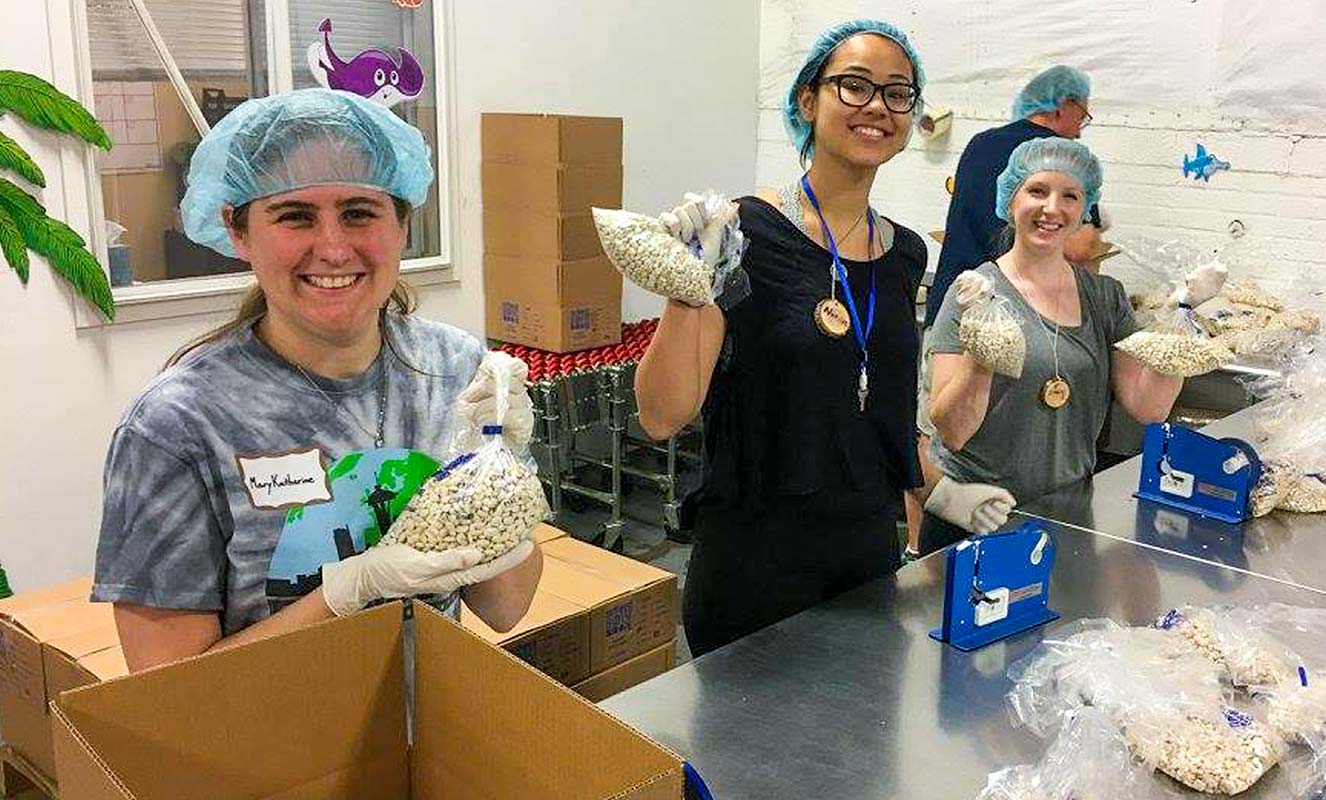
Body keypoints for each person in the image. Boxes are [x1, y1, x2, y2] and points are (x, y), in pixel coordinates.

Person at [93, 89, 542, 672]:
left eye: (359, 212)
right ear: (239, 230)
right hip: (276, 756)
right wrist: (342, 595)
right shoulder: (178, 427)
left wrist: (500, 471)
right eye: (295, 216)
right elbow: (167, 691)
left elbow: (507, 606)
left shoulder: (456, 371)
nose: (332, 248)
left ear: (401, 223)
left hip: (430, 732)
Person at [634, 20, 928, 656]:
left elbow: (888, 411)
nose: (877, 105)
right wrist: (688, 282)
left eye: (898, 92)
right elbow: (662, 414)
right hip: (755, 560)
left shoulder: (906, 255)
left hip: (865, 558)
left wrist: (926, 508)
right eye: (853, 85)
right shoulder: (742, 233)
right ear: (807, 100)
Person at [921, 138, 1184, 554]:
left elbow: (1149, 407)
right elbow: (952, 431)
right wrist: (982, 353)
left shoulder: (1105, 297)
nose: (1052, 208)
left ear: (1084, 209)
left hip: (1069, 514)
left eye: (1070, 196)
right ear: (1010, 200)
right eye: (1037, 191)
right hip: (978, 515)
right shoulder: (974, 293)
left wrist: (1181, 322)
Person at [905, 66, 1100, 557]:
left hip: (957, 287)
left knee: (934, 437)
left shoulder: (981, 143)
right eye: (1084, 113)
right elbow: (1081, 247)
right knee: (959, 434)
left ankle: (915, 552)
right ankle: (938, 544)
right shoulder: (1062, 163)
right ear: (1063, 105)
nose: (1082, 124)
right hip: (984, 306)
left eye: (1069, 198)